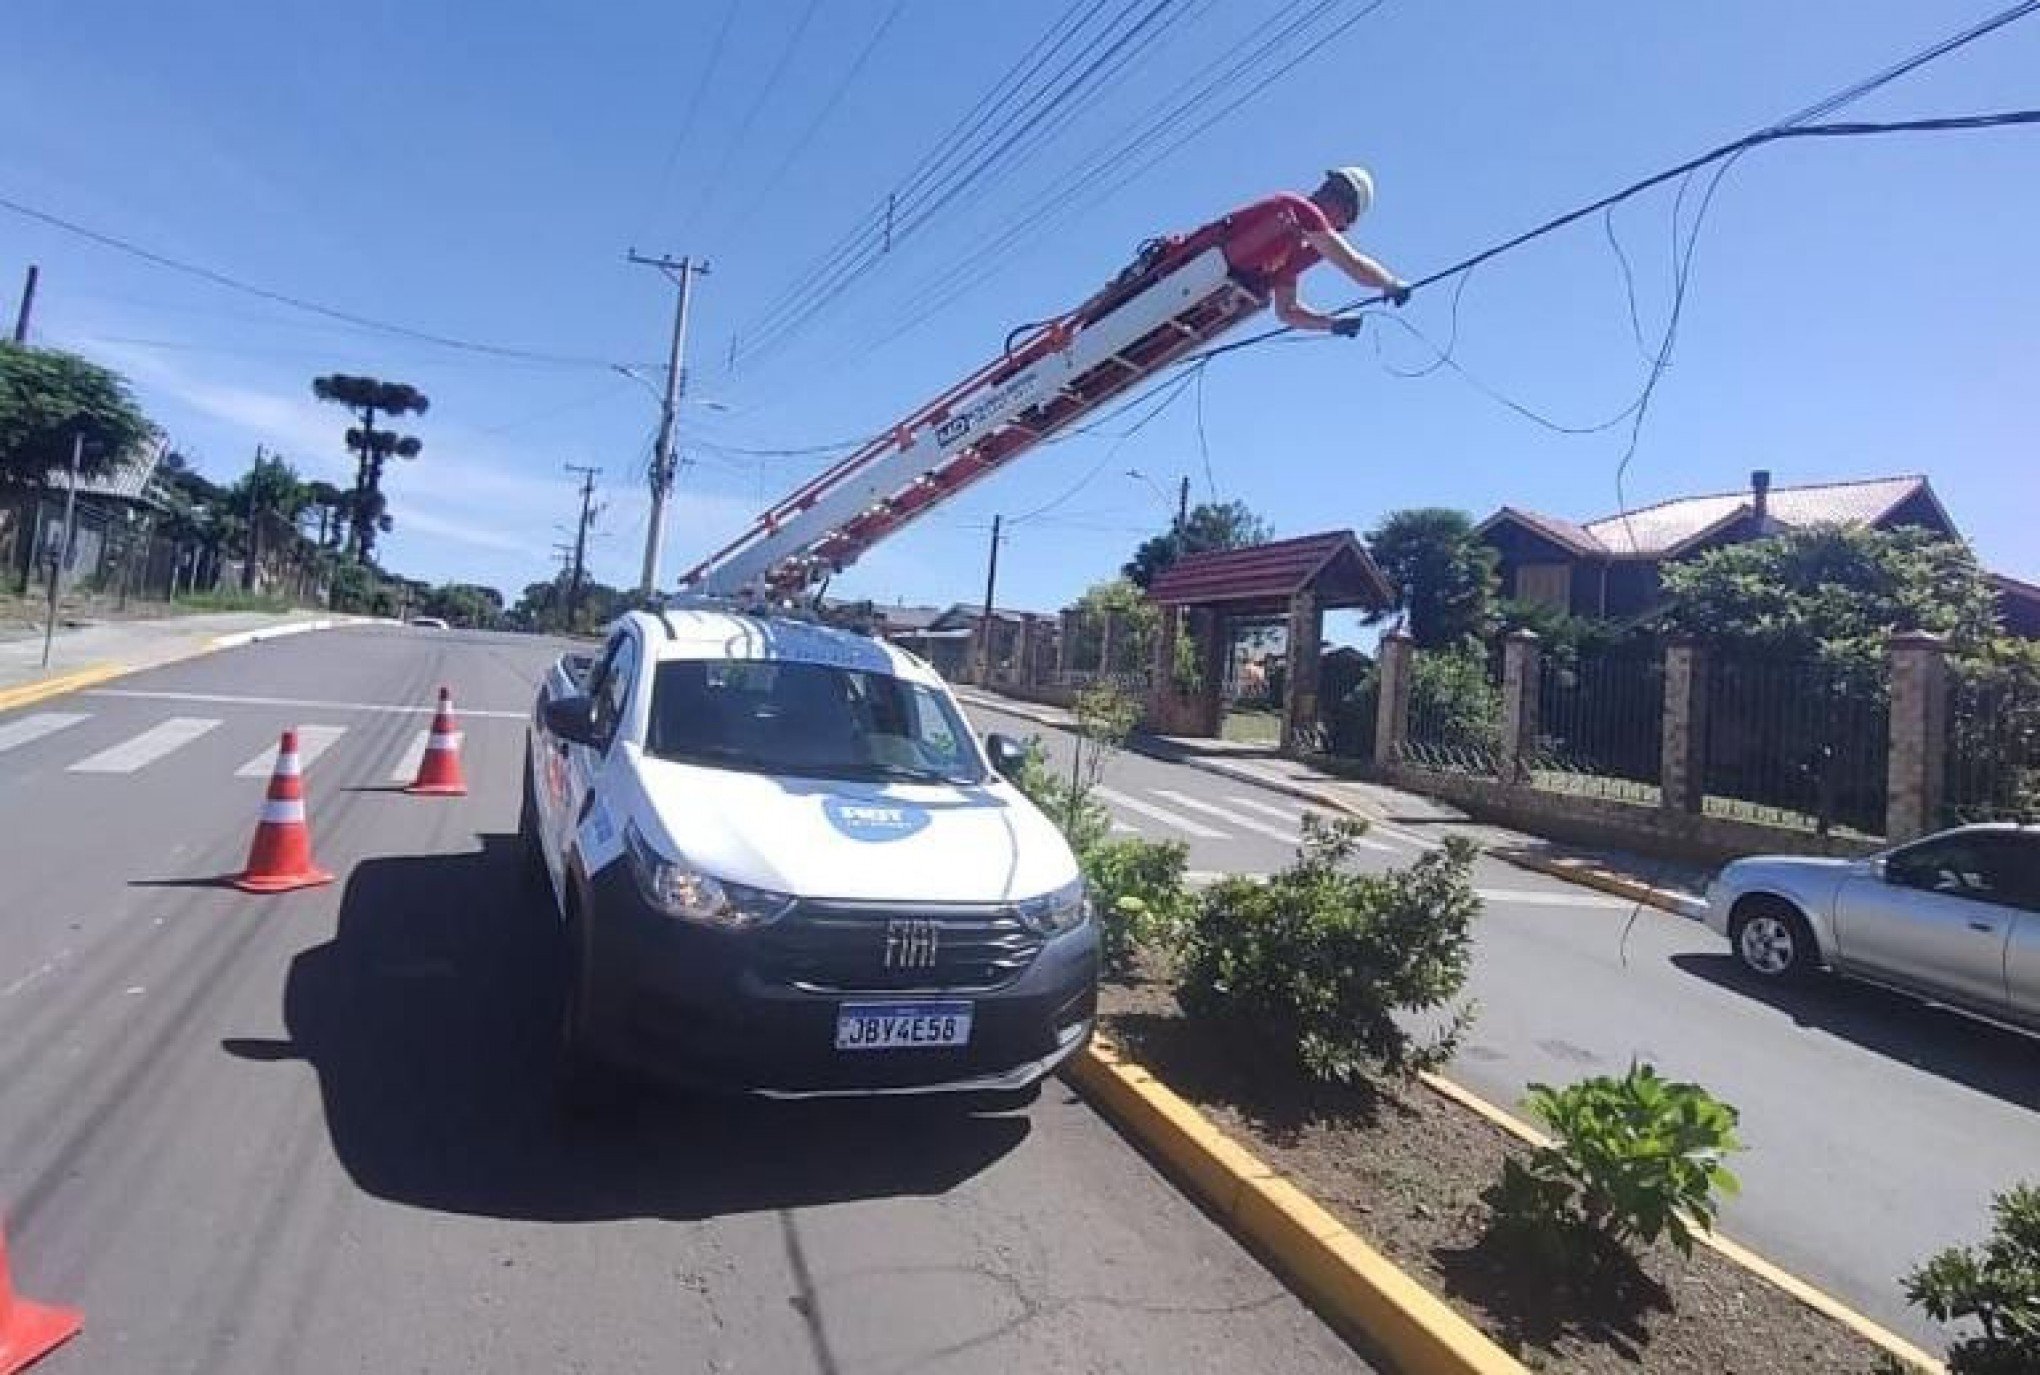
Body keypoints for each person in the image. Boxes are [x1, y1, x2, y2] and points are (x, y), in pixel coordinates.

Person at [1206, 166, 1411, 336]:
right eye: (1328, 188)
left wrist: (1331, 324)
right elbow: (1351, 264)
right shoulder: (1296, 210)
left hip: (1205, 295)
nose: (1326, 196)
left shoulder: (1294, 251)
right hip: (1190, 264)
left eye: (1338, 196)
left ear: (1344, 221)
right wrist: (1389, 282)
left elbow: (1287, 310)